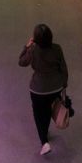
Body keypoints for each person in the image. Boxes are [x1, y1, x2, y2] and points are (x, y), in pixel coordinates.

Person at [18, 24, 68, 155]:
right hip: (55, 87)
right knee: (48, 109)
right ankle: (45, 131)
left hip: (38, 89)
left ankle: (44, 141)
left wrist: (27, 47)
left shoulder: (33, 50)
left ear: (35, 39)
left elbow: (22, 62)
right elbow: (63, 68)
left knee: (38, 113)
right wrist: (64, 84)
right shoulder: (57, 48)